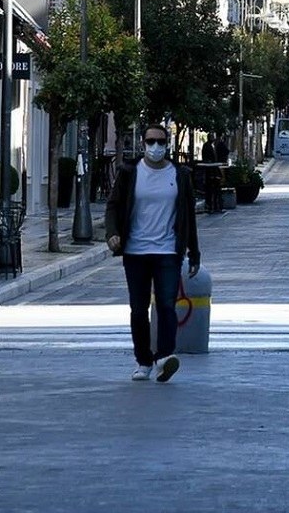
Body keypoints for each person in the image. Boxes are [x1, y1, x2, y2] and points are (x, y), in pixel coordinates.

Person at [105, 123, 201, 383]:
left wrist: (194, 253)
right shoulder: (130, 172)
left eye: (160, 141)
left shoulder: (179, 174)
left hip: (168, 250)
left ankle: (164, 358)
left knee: (167, 305)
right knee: (138, 309)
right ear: (142, 143)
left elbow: (188, 215)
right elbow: (113, 206)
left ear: (167, 143)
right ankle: (143, 361)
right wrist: (112, 233)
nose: (155, 147)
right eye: (150, 142)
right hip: (135, 251)